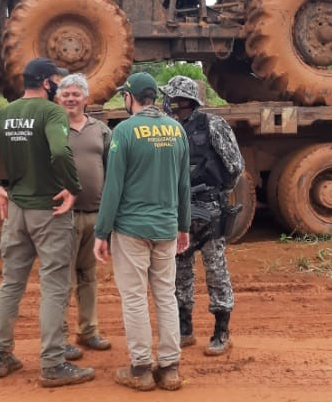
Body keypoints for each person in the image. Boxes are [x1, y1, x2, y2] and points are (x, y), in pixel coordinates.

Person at [0, 57, 95, 388]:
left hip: (16, 210)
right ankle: (52, 363)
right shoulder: (52, 113)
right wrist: (73, 189)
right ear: (46, 82)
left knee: (12, 283)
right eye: (57, 82)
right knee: (54, 285)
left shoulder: (4, 114)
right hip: (49, 211)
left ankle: (1, 355)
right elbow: (61, 153)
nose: (60, 88)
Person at [93, 72, 190, 392]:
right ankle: (170, 368)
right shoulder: (177, 130)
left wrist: (101, 231)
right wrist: (183, 226)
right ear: (155, 97)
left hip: (131, 229)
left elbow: (113, 187)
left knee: (134, 298)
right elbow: (183, 185)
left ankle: (140, 369)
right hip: (165, 228)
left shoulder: (124, 131)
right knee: (165, 295)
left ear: (130, 97)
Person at [159, 75, 244, 357]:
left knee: (215, 269)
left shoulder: (213, 125)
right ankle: (185, 328)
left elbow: (234, 166)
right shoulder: (166, 129)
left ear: (184, 101)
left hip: (209, 208)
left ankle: (222, 330)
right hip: (179, 208)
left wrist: (216, 194)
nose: (167, 102)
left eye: (172, 98)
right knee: (179, 270)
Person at [55, 73, 112, 361]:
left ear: (86, 98)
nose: (71, 99)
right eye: (65, 94)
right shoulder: (52, 130)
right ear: (57, 98)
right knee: (63, 281)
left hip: (95, 216)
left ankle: (88, 331)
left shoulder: (101, 130)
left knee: (88, 277)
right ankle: (60, 339)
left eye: (76, 94)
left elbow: (110, 170)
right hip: (63, 218)